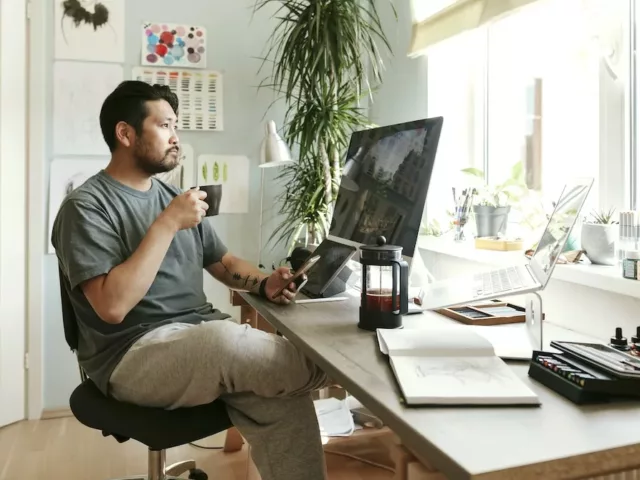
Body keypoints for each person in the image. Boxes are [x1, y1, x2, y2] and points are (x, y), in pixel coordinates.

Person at [51, 80, 329, 480]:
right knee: (225, 341)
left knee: (279, 393)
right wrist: (166, 224)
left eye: (175, 125)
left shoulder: (173, 197)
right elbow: (112, 307)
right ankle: (342, 371)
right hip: (131, 356)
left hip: (200, 341)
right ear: (125, 133)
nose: (175, 137)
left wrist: (265, 282)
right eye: (164, 125)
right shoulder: (85, 208)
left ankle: (328, 371)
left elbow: (224, 261)